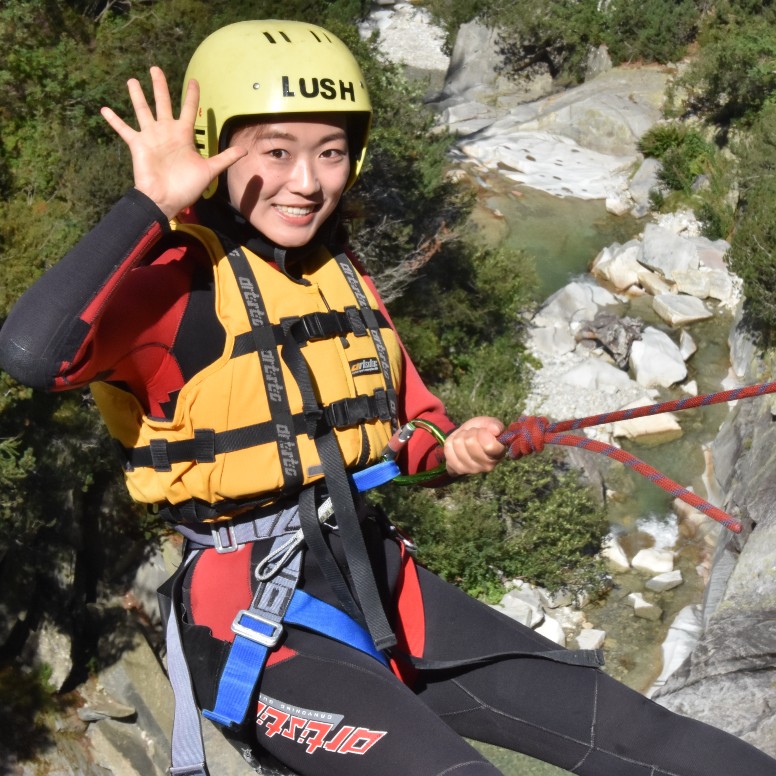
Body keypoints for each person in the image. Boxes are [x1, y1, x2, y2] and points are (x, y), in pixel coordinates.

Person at [1, 19, 774, 776]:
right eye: (276, 151)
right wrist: (147, 206)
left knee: (646, 734)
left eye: (330, 153)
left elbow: (411, 427)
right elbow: (31, 352)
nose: (307, 182)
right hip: (254, 621)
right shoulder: (175, 292)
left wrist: (451, 448)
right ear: (213, 155)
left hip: (375, 575)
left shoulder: (340, 275)